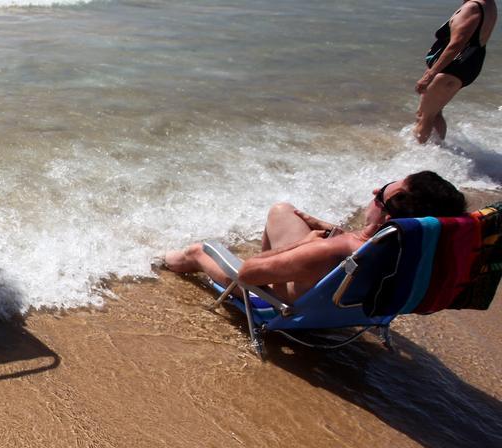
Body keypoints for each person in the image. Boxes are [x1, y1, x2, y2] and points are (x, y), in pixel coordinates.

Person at [163, 171, 468, 303]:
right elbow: (357, 246)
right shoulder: (414, 244)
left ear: (388, 214)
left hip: (286, 300)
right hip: (341, 304)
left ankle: (161, 261)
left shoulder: (336, 249)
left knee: (198, 250)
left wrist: (305, 244)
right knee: (283, 211)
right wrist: (323, 231)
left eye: (382, 192)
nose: (375, 190)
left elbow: (247, 272)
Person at [415, 0, 497, 144]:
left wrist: (430, 75)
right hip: (464, 66)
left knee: (424, 116)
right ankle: (437, 152)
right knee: (435, 114)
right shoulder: (489, 4)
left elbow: (457, 44)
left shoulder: (472, 8)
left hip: (450, 70)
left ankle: (420, 157)